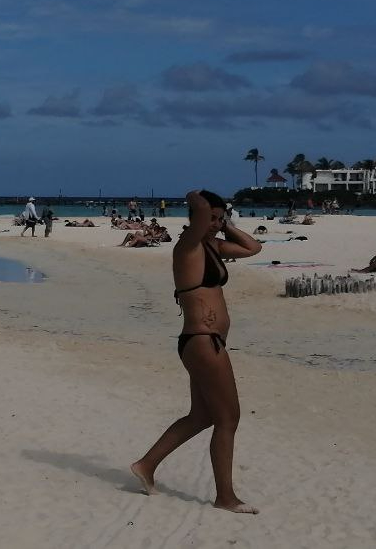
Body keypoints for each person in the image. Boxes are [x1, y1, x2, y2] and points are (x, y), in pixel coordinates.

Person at [132, 190, 262, 515]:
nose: (216, 224)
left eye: (221, 219)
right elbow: (201, 213)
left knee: (202, 416)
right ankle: (226, 497)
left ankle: (146, 465)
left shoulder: (213, 246)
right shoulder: (187, 246)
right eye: (212, 219)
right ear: (195, 218)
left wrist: (225, 224)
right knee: (229, 418)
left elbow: (253, 247)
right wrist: (196, 196)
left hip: (204, 343)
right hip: (203, 341)